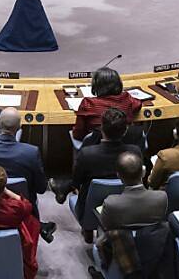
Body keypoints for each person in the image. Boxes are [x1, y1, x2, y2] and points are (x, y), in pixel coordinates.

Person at [0, 108, 56, 240]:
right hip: (22, 210)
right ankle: (38, 226)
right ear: (20, 127)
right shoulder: (31, 153)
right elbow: (41, 188)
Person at [62, 108, 142, 242]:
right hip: (125, 208)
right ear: (125, 130)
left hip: (88, 210)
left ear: (102, 129)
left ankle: (88, 229)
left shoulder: (87, 154)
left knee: (75, 195)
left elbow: (76, 182)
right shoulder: (134, 153)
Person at [99, 151, 168, 231]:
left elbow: (106, 225)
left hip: (122, 238)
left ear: (119, 176)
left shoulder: (110, 203)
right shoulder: (161, 197)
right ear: (143, 172)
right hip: (152, 238)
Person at [72, 67, 142, 141]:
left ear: (96, 85)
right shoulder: (127, 98)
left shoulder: (88, 103)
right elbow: (138, 104)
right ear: (118, 84)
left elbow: (78, 134)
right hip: (125, 144)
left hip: (94, 145)